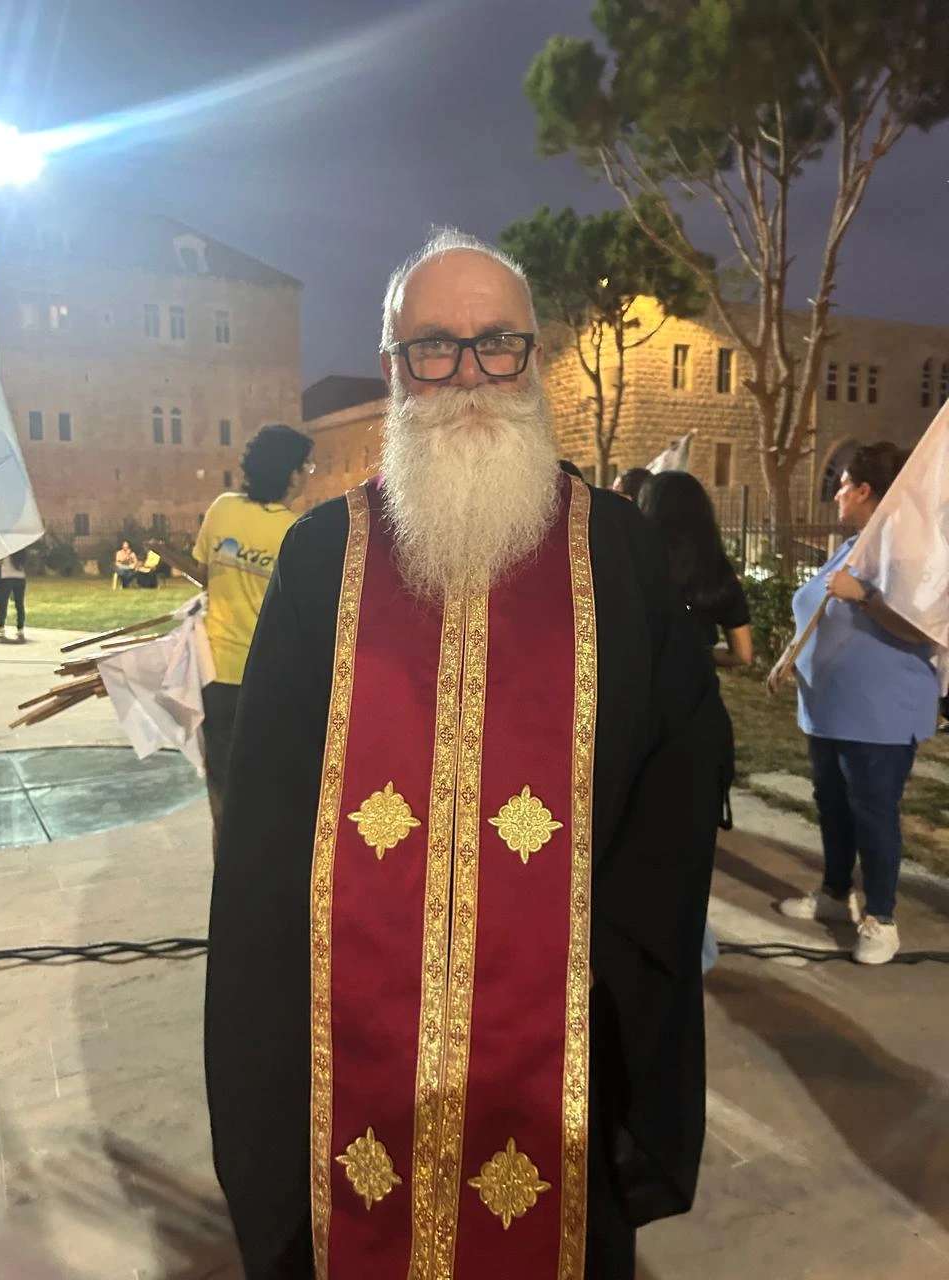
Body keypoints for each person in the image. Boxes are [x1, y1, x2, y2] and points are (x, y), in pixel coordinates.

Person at [204, 230, 732, 1280]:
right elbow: (266, 824)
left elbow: (683, 773)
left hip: (560, 1044)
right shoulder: (323, 559)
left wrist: (612, 970)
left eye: (497, 344)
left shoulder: (617, 552)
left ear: (533, 360)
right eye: (434, 347)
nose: (469, 374)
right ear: (395, 369)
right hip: (352, 1047)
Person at [770, 442, 938, 965]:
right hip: (828, 709)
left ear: (865, 491)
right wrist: (789, 656)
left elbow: (921, 628)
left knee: (872, 812)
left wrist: (864, 595)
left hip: (878, 713)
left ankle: (882, 919)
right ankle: (834, 892)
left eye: (842, 484)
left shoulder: (906, 549)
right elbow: (820, 607)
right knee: (834, 807)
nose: (836, 493)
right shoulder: (854, 546)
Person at [193, 423, 314, 850]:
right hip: (269, 680)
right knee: (268, 784)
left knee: (223, 785)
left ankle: (224, 873)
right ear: (293, 473)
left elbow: (204, 575)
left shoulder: (222, 510)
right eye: (308, 466)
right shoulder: (298, 531)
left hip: (217, 673)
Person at [637, 470, 753, 668]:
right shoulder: (717, 571)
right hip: (697, 691)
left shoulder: (633, 565)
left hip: (639, 687)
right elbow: (742, 655)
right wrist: (697, 654)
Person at [0, 548, 28, 642]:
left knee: (3, 603)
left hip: (7, 578)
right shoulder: (21, 549)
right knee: (19, 604)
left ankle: (0, 626)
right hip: (20, 578)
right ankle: (20, 629)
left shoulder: (4, 550)